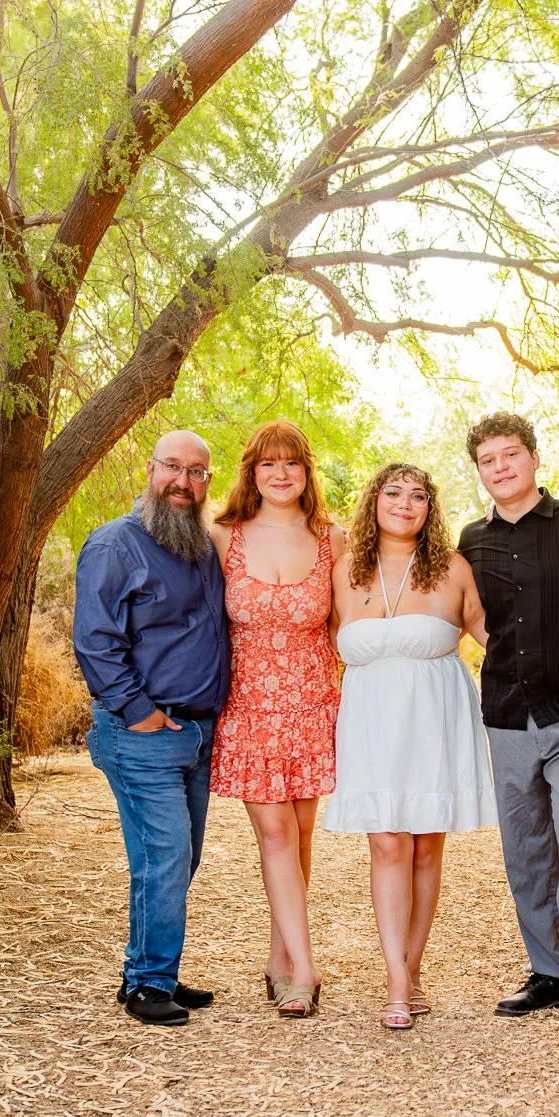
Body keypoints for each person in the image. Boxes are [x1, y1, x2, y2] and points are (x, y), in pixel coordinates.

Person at [457, 412, 559, 1037]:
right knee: (525, 849)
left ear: (533, 457)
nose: (500, 467)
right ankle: (548, 970)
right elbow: (464, 610)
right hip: (506, 715)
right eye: (488, 460)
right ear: (479, 472)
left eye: (510, 454)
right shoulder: (471, 540)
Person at [323, 463, 498, 1030]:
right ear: (373, 501)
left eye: (418, 495)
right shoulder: (344, 570)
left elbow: (501, 643)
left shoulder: (452, 570)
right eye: (393, 492)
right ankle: (396, 981)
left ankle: (411, 969)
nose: (405, 503)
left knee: (425, 848)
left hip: (436, 720)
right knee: (388, 845)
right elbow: (317, 643)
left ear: (431, 509)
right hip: (371, 721)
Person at [72, 430, 230, 1027]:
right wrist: (140, 713)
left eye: (197, 472)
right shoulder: (117, 544)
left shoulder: (199, 547)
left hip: (196, 735)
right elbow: (95, 640)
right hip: (142, 734)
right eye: (172, 467)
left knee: (177, 858)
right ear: (150, 469)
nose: (183, 483)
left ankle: (150, 966)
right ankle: (146, 984)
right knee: (163, 856)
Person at [207, 420, 344, 1019]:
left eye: (292, 462)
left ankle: (277, 957)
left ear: (307, 471)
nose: (281, 473)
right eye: (268, 463)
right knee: (276, 835)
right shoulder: (223, 536)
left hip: (314, 703)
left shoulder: (333, 537)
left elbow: (346, 625)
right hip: (250, 706)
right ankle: (305, 971)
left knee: (301, 836)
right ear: (252, 472)